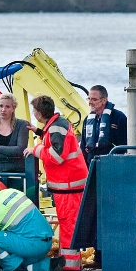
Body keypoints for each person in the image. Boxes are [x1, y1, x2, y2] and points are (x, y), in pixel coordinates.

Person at [23, 95, 88, 253]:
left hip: (68, 186)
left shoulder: (55, 128)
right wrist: (39, 131)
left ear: (39, 114)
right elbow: (55, 141)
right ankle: (71, 262)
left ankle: (69, 266)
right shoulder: (57, 123)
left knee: (68, 226)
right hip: (70, 184)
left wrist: (35, 150)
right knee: (70, 224)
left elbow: (57, 155)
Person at [80, 85, 127, 167]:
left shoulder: (119, 118)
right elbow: (83, 147)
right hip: (92, 166)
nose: (90, 102)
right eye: (89, 99)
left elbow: (126, 145)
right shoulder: (87, 120)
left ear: (104, 100)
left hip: (113, 166)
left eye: (94, 99)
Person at [0, 93, 29, 173]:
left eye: (7, 107)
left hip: (17, 172)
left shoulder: (22, 124)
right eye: (1, 106)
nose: (3, 110)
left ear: (13, 108)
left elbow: (20, 150)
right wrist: (12, 155)